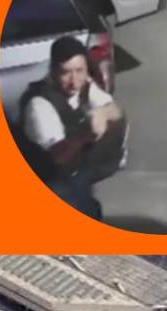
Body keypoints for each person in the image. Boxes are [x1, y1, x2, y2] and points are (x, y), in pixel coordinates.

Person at [18, 37, 127, 220]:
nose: (74, 81)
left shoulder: (84, 86)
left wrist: (103, 113)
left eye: (79, 71)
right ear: (53, 71)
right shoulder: (39, 105)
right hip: (50, 182)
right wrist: (87, 134)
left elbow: (115, 110)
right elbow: (57, 158)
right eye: (65, 73)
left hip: (77, 176)